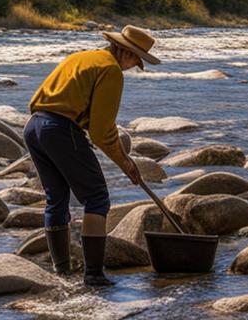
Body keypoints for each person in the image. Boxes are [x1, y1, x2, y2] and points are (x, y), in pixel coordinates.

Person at [23, 24, 160, 286]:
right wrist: (125, 162)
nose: (134, 66)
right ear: (126, 52)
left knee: (56, 199)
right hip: (61, 129)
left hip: (34, 126)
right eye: (136, 60)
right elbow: (100, 131)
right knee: (97, 198)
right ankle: (94, 275)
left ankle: (62, 272)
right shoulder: (110, 70)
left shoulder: (81, 57)